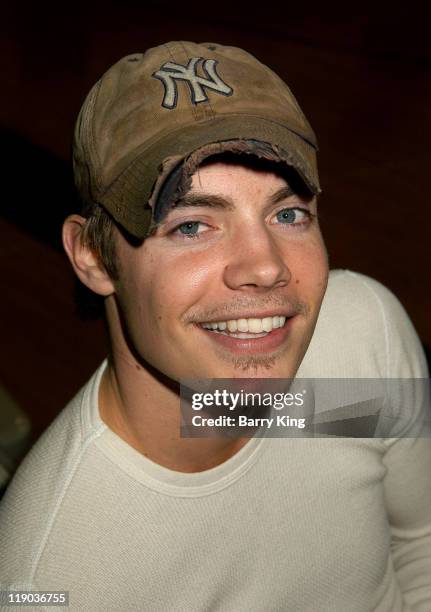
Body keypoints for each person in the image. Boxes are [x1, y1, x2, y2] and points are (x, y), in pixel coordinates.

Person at [0, 40, 430, 611]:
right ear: (93, 258)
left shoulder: (358, 336)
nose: (266, 265)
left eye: (288, 213)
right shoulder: (52, 577)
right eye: (191, 226)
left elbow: (421, 542)